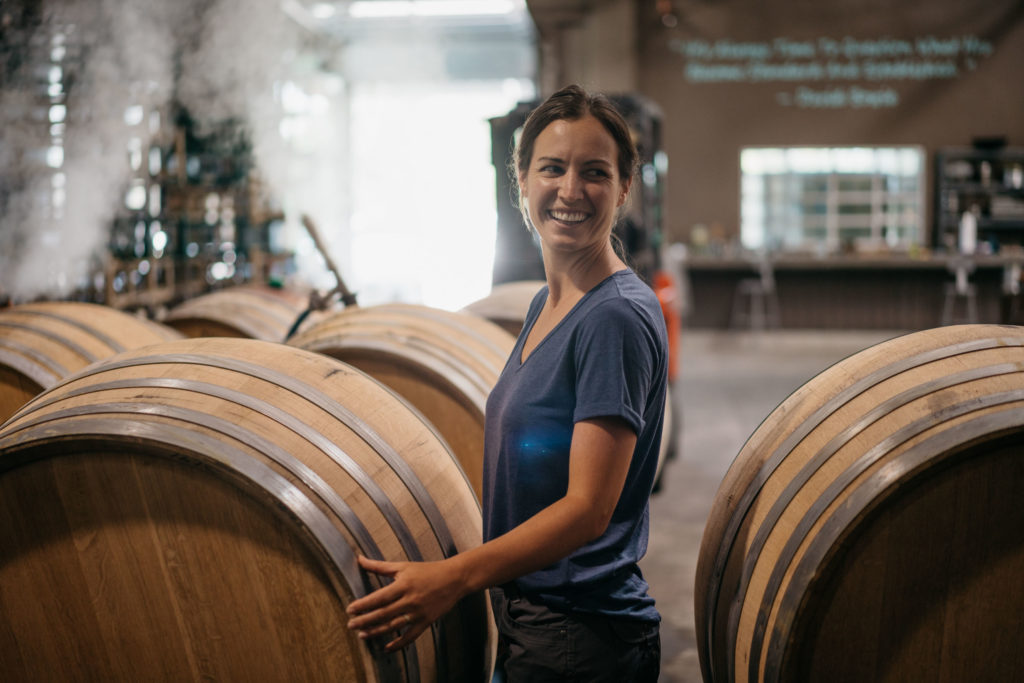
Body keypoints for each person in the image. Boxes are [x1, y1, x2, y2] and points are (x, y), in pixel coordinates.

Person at [346, 84, 668, 682]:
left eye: (595, 172)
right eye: (552, 168)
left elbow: (587, 512)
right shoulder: (551, 302)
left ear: (624, 188)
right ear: (521, 180)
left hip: (578, 638)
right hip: (539, 623)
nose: (571, 190)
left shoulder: (611, 317)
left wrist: (454, 578)